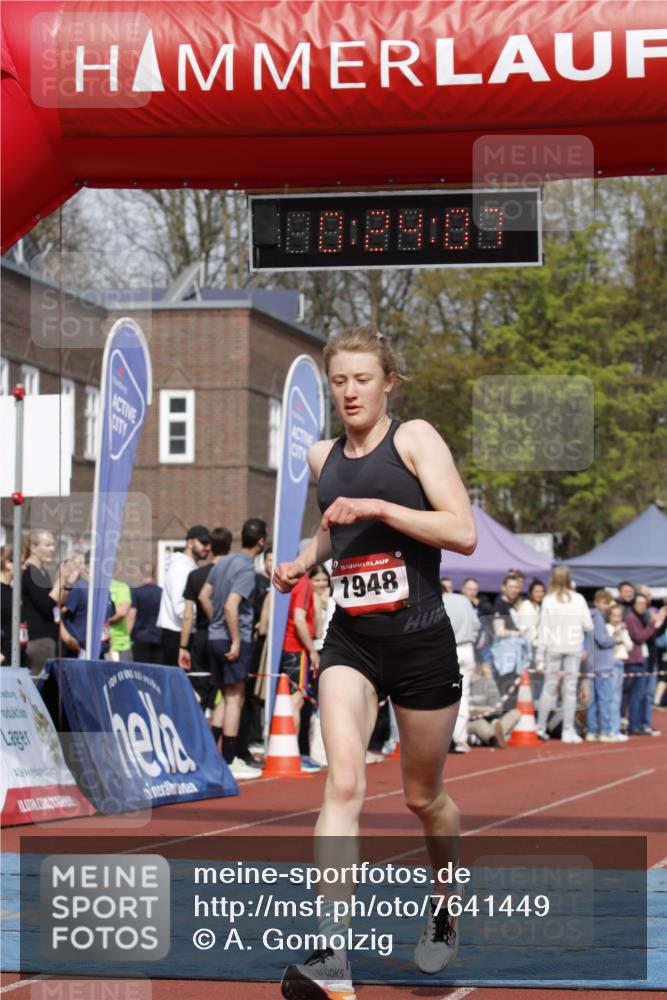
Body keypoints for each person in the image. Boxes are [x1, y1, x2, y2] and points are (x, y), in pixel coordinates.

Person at [273, 325, 476, 999]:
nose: (350, 392)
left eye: (363, 379)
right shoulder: (319, 453)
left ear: (389, 382)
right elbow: (335, 529)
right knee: (342, 784)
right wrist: (302, 562)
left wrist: (382, 503)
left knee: (423, 797)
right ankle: (331, 953)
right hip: (351, 641)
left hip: (420, 641)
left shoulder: (414, 438)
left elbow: (463, 530)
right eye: (339, 381)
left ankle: (444, 907)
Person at [200, 517, 267, 781]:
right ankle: (228, 759)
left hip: (216, 636)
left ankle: (210, 755)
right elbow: (231, 605)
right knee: (235, 699)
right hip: (231, 637)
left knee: (224, 696)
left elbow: (205, 595)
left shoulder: (223, 560)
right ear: (261, 542)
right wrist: (236, 638)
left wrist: (214, 621)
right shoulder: (245, 569)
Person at [179, 526, 233, 729]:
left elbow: (187, 615)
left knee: (199, 692)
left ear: (210, 547)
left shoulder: (196, 575)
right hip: (225, 636)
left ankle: (194, 735)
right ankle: (221, 743)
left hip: (201, 636)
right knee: (228, 693)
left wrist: (183, 647)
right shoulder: (233, 574)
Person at [535, 567, 594, 744]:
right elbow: (589, 626)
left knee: (549, 688)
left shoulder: (548, 600)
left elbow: (543, 629)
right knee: (570, 691)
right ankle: (567, 730)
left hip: (553, 648)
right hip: (573, 648)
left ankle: (540, 727)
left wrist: (539, 655)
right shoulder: (578, 599)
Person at [279, 564, 325, 770]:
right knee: (295, 701)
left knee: (291, 701)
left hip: (289, 647)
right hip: (297, 649)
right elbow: (300, 620)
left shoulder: (293, 582)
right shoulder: (304, 583)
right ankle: (292, 753)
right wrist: (313, 651)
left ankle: (291, 751)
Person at [21, 529, 80, 676]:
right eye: (48, 545)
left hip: (49, 636)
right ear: (34, 547)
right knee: (40, 683)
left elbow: (58, 602)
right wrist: (60, 579)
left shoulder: (42, 572)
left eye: (53, 545)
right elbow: (46, 605)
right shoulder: (29, 572)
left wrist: (67, 583)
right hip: (38, 637)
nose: (52, 549)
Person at [157, 525, 210, 665]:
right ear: (190, 542)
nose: (208, 547)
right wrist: (205, 613)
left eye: (210, 544)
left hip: (181, 633)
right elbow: (181, 607)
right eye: (203, 543)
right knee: (178, 683)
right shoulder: (181, 568)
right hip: (178, 635)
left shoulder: (188, 566)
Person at [441, 589, 478, 754]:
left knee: (443, 694)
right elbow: (476, 625)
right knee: (464, 695)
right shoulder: (464, 600)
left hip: (448, 649)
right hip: (467, 648)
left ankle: (445, 738)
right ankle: (461, 739)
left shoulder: (439, 600)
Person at [624, 592, 667, 735]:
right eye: (640, 603)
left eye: (645, 603)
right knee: (637, 695)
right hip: (637, 660)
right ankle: (634, 725)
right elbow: (639, 637)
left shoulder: (646, 617)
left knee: (646, 695)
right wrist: (652, 626)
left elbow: (655, 633)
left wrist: (660, 622)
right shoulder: (632, 618)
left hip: (649, 659)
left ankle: (644, 724)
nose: (643, 606)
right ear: (634, 604)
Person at [585, 590, 624, 742]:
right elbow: (603, 640)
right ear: (597, 602)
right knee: (605, 699)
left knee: (592, 700)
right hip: (603, 664)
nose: (606, 606)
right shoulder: (599, 618)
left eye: (607, 602)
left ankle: (592, 730)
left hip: (591, 663)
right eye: (604, 602)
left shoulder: (588, 616)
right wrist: (615, 639)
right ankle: (605, 731)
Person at [60, 552, 112, 658]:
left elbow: (107, 618)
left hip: (100, 648)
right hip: (81, 650)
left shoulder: (105, 590)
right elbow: (59, 613)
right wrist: (67, 638)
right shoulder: (79, 588)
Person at [468, 662, 520, 748]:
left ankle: (493, 736)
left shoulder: (488, 683)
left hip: (490, 718)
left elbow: (497, 709)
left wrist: (475, 709)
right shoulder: (459, 684)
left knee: (515, 713)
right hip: (472, 722)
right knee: (481, 723)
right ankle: (493, 737)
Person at [128, 564, 163, 664]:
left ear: (140, 574)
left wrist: (127, 636)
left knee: (141, 672)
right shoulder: (161, 592)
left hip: (140, 638)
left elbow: (131, 616)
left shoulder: (136, 592)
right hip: (158, 637)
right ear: (154, 574)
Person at [108, 577, 133, 661]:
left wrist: (105, 621)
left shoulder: (120, 587)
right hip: (102, 646)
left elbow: (122, 612)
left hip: (119, 645)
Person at [1, 546, 15, 665]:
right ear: (8, 564)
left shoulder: (12, 590)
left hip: (12, 653)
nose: (24, 567)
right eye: (20, 563)